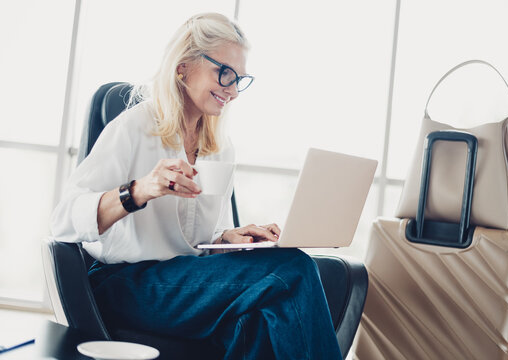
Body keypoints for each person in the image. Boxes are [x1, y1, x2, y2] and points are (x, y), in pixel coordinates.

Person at [50, 12, 342, 360]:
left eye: (240, 80)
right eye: (225, 73)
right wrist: (140, 190)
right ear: (183, 66)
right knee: (294, 269)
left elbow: (200, 235)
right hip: (125, 283)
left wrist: (226, 238)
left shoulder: (220, 146)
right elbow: (63, 219)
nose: (232, 91)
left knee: (262, 319)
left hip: (184, 280)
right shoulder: (134, 126)